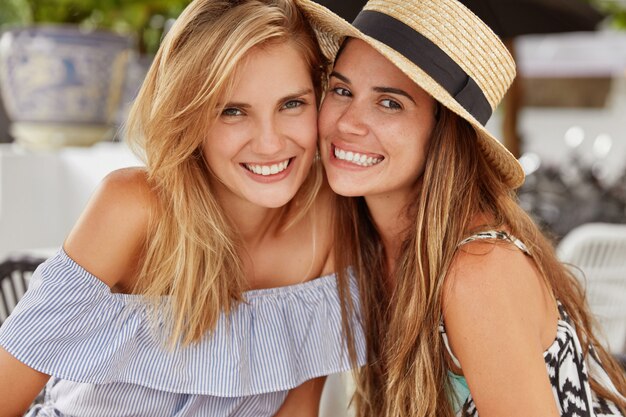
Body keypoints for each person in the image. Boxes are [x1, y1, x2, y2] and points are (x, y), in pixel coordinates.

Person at [0, 0, 365, 416]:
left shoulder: (330, 218)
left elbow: (298, 409)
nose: (269, 142)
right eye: (232, 111)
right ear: (189, 116)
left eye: (291, 104)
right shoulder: (133, 208)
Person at [295, 0, 626, 416]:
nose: (347, 123)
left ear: (443, 133)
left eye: (390, 103)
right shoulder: (363, 245)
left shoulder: (477, 271)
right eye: (342, 90)